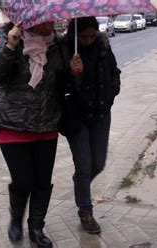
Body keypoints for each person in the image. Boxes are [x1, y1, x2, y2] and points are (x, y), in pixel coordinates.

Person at [0, 21, 76, 248]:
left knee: (43, 182)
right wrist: (9, 46)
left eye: (51, 21)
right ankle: (16, 220)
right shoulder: (13, 40)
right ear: (31, 21)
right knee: (24, 180)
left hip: (46, 124)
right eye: (44, 22)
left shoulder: (58, 46)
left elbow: (62, 84)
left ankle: (36, 227)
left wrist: (75, 71)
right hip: (12, 124)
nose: (49, 25)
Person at [59, 16, 121, 234]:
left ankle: (80, 182)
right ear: (73, 34)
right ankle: (85, 211)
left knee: (98, 165)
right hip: (77, 118)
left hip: (102, 114)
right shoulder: (64, 50)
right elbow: (58, 85)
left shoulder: (103, 47)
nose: (88, 40)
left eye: (92, 35)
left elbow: (115, 72)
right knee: (84, 166)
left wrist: (112, 92)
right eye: (83, 36)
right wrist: (74, 74)